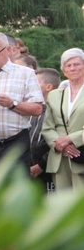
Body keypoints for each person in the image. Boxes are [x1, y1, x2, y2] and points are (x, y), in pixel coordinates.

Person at [0, 32, 43, 171]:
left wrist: (12, 104)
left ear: (8, 49)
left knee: (16, 188)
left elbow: (37, 109)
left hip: (15, 143)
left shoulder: (26, 73)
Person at [42, 48, 84, 191]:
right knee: (63, 206)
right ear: (64, 71)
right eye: (68, 65)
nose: (73, 68)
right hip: (60, 157)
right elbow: (47, 127)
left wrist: (71, 139)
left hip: (81, 153)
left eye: (77, 64)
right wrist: (61, 144)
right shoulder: (54, 95)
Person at [30, 68, 60, 192]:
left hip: (47, 170)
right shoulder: (30, 108)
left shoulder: (57, 111)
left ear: (48, 87)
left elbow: (57, 140)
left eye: (36, 82)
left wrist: (41, 165)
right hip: (28, 167)